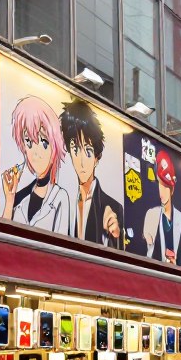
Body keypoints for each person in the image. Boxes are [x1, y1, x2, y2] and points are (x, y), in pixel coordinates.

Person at [1, 96, 70, 234]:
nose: (36, 153)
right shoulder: (19, 198)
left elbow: (61, 250)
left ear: (54, 145)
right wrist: (9, 200)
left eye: (44, 142)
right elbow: (1, 240)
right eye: (29, 142)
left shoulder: (60, 198)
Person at [61, 99, 123, 249]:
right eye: (75, 149)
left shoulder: (113, 208)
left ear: (97, 157)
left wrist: (115, 237)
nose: (81, 161)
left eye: (88, 151)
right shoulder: (65, 201)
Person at [144, 151, 181, 267]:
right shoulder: (151, 214)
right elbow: (147, 247)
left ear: (172, 190)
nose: (162, 192)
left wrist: (179, 264)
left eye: (165, 186)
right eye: (160, 184)